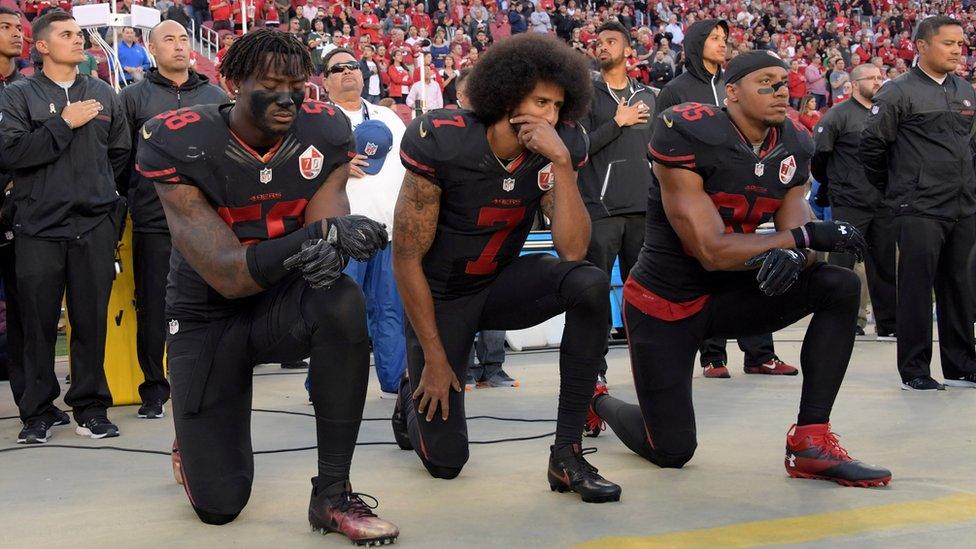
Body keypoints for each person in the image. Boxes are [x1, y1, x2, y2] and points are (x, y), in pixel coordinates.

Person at [135, 29, 398, 542]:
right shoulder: (179, 138)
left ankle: (332, 494)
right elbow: (229, 274)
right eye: (271, 84)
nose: (287, 98)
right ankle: (191, 434)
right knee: (220, 505)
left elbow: (328, 214)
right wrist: (318, 236)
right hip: (207, 310)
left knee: (342, 299)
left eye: (296, 84)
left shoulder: (324, 129)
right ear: (232, 83)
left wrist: (333, 244)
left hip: (281, 300)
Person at [588, 51, 892, 488]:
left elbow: (798, 233)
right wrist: (799, 242)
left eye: (784, 82)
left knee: (837, 285)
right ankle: (597, 401)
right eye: (766, 82)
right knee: (671, 451)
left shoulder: (794, 142)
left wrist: (796, 251)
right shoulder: (686, 129)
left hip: (733, 296)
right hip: (667, 304)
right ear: (730, 91)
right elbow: (710, 249)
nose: (782, 90)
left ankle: (809, 441)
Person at [390, 33, 621, 503]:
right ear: (507, 94)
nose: (551, 116)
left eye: (558, 105)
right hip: (443, 297)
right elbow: (407, 257)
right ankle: (411, 390)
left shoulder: (560, 146)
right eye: (540, 102)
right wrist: (434, 359)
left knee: (590, 283)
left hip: (498, 284)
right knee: (446, 464)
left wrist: (561, 164)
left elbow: (573, 250)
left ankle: (567, 451)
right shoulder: (445, 138)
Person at [1, 10, 129, 444]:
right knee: (36, 325)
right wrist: (63, 124)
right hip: (38, 226)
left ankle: (91, 408)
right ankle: (37, 412)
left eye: (79, 34)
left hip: (93, 224)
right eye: (67, 34)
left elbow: (120, 155)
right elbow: (12, 153)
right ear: (40, 46)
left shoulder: (104, 94)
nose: (79, 40)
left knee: (90, 321)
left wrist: (106, 202)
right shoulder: (18, 95)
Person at [655, 20, 795, 380]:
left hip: (749, 192)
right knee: (711, 264)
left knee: (759, 263)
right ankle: (713, 356)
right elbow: (660, 154)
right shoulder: (676, 90)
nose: (722, 44)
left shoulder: (740, 82)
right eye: (714, 38)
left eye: (724, 39)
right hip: (699, 197)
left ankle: (760, 353)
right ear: (696, 42)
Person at [117, 20, 228, 419]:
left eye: (184, 38)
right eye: (169, 39)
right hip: (153, 218)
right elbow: (120, 160)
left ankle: (209, 379)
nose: (180, 46)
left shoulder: (215, 95)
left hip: (208, 220)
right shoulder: (132, 98)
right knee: (154, 304)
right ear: (151, 48)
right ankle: (154, 388)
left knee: (212, 301)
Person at [860, 16, 976, 391]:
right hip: (919, 207)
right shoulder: (898, 91)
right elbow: (872, 148)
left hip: (962, 206)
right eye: (949, 43)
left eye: (961, 43)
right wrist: (898, 191)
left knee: (960, 287)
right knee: (915, 288)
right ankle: (915, 371)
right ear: (922, 46)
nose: (958, 50)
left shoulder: (965, 90)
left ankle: (961, 366)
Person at [322, 48, 408, 398]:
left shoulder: (387, 117)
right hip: (342, 234)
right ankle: (328, 385)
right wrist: (337, 167)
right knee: (338, 315)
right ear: (324, 81)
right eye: (337, 68)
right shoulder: (317, 119)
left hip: (387, 230)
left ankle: (395, 385)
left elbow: (410, 164)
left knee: (390, 310)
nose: (347, 72)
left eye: (352, 66)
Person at [577, 21, 654, 387]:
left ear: (628, 51)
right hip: (601, 211)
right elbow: (579, 149)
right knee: (594, 296)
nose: (602, 46)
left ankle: (651, 370)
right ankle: (594, 374)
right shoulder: (586, 96)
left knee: (644, 296)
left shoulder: (649, 97)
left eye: (611, 41)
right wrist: (618, 122)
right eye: (599, 42)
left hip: (643, 209)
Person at [812, 63, 896, 341]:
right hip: (849, 200)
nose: (877, 82)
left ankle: (889, 324)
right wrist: (836, 184)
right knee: (842, 264)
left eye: (880, 77)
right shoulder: (838, 116)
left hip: (882, 200)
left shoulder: (885, 114)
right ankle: (839, 322)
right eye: (871, 78)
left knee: (884, 265)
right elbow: (820, 157)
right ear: (855, 83)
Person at [0, 6, 29, 411]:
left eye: (16, 27)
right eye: (4, 27)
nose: (16, 34)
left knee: (24, 311)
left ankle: (31, 400)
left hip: (20, 213)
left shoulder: (27, 88)